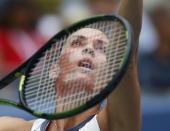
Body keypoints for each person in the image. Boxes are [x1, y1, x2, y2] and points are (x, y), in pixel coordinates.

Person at [0, 0, 143, 130]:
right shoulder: (15, 128)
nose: (89, 49)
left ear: (108, 75)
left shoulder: (113, 125)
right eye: (77, 43)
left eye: (101, 48)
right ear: (54, 69)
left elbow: (127, 56)